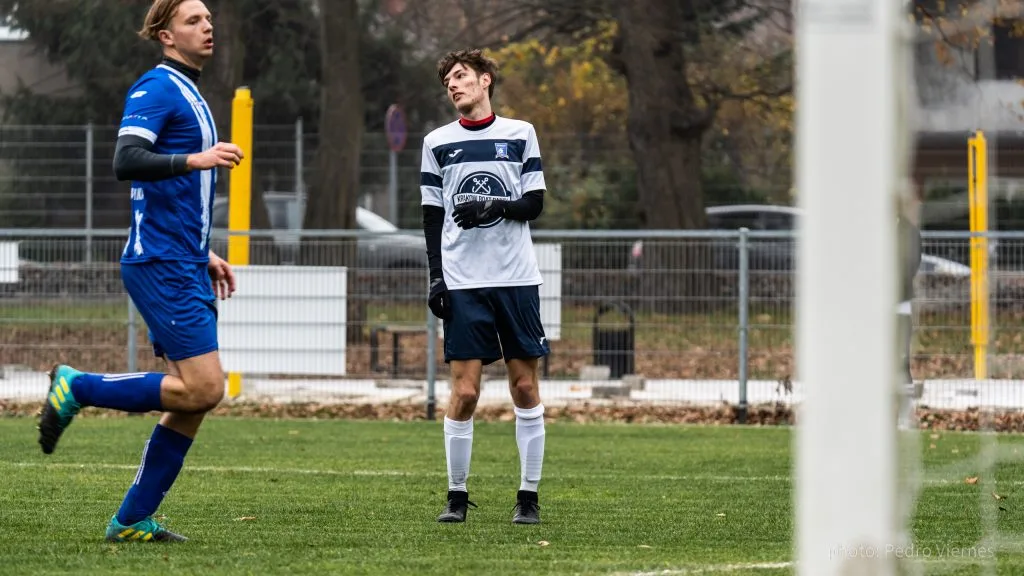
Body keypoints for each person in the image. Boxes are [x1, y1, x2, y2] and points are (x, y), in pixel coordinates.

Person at [36, 0, 244, 543]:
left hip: (183, 260)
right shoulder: (155, 87)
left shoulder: (190, 90)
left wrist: (205, 251)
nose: (207, 25)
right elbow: (126, 160)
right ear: (165, 35)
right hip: (160, 264)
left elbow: (178, 197)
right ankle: (77, 386)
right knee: (204, 388)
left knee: (192, 402)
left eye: (207, 18)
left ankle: (131, 520)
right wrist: (193, 160)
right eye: (193, 20)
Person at [421, 49, 549, 525]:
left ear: (485, 80)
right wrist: (437, 276)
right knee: (467, 393)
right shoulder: (437, 142)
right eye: (447, 81)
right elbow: (431, 217)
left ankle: (528, 497)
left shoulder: (520, 134)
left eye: (460, 77)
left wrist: (495, 206)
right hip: (463, 283)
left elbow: (534, 203)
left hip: (516, 279)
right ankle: (456, 497)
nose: (453, 86)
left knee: (523, 386)